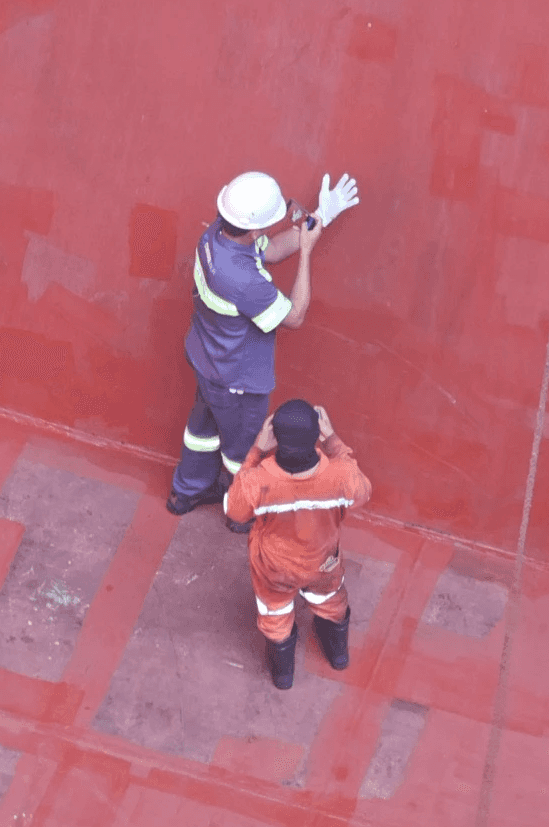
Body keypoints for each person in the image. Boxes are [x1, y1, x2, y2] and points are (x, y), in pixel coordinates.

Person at [166, 171, 360, 532]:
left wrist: (321, 217)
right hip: (237, 377)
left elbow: (269, 251)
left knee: (202, 431)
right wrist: (308, 251)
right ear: (253, 229)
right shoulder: (242, 281)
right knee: (242, 452)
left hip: (207, 358)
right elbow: (296, 315)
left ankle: (186, 491)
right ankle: (241, 514)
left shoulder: (215, 237)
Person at [224, 400, 372, 689]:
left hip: (274, 569)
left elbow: (234, 511)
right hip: (323, 562)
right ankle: (338, 654)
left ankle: (283, 674)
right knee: (331, 600)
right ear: (316, 435)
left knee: (275, 613)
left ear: (275, 438)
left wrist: (256, 451)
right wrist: (333, 442)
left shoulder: (258, 481)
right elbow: (363, 493)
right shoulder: (341, 476)